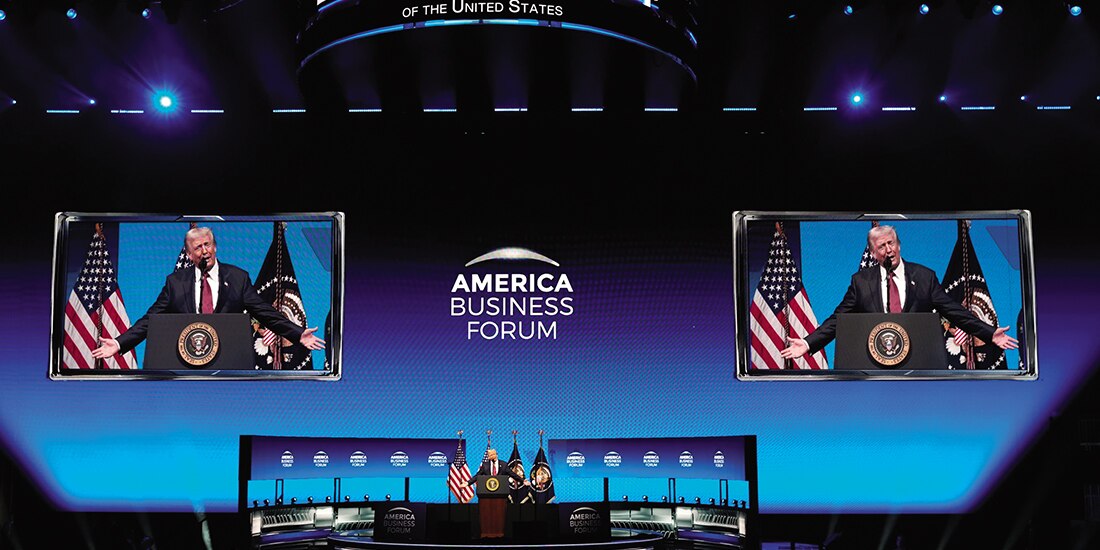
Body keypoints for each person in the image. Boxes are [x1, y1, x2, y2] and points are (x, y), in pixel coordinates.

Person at [780, 224, 1018, 360]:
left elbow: (954, 311)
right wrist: (809, 343)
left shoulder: (924, 277)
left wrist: (989, 334)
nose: (889, 249)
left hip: (918, 364)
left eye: (891, 243)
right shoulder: (861, 282)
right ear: (873, 253)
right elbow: (837, 320)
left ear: (899, 245)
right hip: (876, 367)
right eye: (881, 246)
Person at [91, 226, 324, 358]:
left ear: (215, 246)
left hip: (228, 363)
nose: (205, 251)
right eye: (198, 247)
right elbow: (150, 321)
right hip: (188, 364)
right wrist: (120, 343)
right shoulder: (175, 283)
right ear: (189, 254)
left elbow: (265, 312)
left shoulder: (237, 278)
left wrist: (297, 333)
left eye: (208, 245)